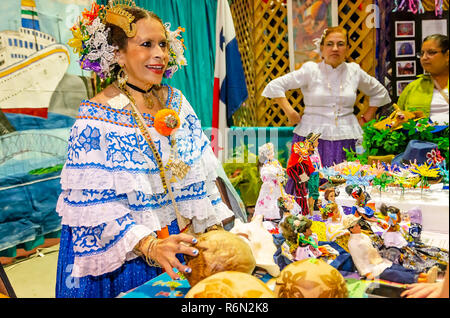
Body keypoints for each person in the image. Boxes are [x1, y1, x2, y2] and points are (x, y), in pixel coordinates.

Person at [56, 2, 233, 298]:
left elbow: (202, 173)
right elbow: (95, 207)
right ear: (118, 54)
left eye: (163, 44)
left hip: (186, 244)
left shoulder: (177, 101)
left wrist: (214, 227)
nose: (160, 55)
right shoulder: (96, 119)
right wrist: (150, 245)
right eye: (146, 44)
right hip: (133, 259)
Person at [262, 26, 391, 169]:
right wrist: (290, 111)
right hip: (310, 140)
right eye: (330, 44)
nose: (335, 48)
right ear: (322, 48)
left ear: (347, 48)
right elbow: (275, 86)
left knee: (346, 184)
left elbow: (380, 92)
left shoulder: (354, 71)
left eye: (340, 44)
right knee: (309, 184)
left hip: (347, 138)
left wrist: (367, 116)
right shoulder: (310, 70)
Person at [344, 215, 438, 284]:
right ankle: (424, 280)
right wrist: (367, 273)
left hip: (379, 262)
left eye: (358, 224)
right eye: (356, 226)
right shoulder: (353, 243)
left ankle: (425, 275)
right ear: (351, 229)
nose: (359, 226)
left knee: (398, 268)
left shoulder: (363, 236)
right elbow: (358, 260)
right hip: (371, 268)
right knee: (395, 274)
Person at [398, 34, 449, 124]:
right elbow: (397, 119)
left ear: (447, 55)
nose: (424, 58)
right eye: (422, 54)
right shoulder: (412, 87)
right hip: (420, 137)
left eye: (431, 52)